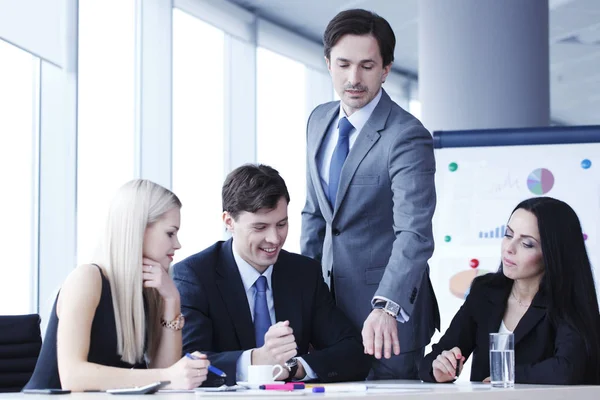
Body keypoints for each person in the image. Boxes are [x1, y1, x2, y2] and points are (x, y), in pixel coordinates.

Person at [301, 8, 439, 379]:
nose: (353, 78)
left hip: (386, 321)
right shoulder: (318, 120)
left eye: (367, 66)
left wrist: (387, 307)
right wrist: (306, 300)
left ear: (386, 69)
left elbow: (414, 233)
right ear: (328, 63)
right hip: (327, 316)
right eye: (343, 64)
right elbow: (315, 215)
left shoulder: (406, 136)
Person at [172, 164, 370, 386]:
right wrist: (257, 360)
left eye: (282, 224)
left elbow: (353, 352)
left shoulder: (303, 273)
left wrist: (292, 368)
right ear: (229, 222)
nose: (274, 239)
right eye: (260, 227)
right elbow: (188, 364)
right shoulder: (194, 276)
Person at [25, 179, 210, 391]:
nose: (177, 244)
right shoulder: (87, 278)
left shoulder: (149, 290)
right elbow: (73, 377)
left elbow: (167, 382)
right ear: (139, 229)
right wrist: (167, 376)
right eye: (170, 233)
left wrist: (172, 300)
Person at [420, 197, 600, 385]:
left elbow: (567, 370)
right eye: (508, 234)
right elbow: (432, 359)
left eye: (527, 244)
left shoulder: (568, 301)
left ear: (553, 253)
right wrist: (439, 368)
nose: (509, 248)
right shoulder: (485, 291)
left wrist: (504, 376)